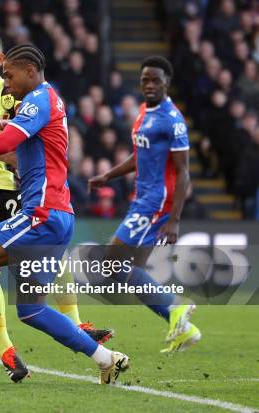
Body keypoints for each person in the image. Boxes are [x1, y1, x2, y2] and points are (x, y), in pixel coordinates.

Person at [0, 44, 129, 385]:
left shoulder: (38, 100)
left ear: (30, 71)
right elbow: (29, 139)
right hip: (59, 215)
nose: (7, 84)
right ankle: (107, 359)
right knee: (31, 310)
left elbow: (3, 145)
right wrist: (2, 121)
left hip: (40, 214)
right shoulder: (49, 99)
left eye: (10, 76)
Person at [88, 56, 200, 353]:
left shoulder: (171, 120)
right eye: (145, 80)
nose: (149, 85)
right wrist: (108, 176)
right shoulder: (143, 112)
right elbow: (140, 156)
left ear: (167, 82)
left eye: (156, 80)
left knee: (113, 260)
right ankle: (183, 327)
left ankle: (176, 307)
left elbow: (184, 171)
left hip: (156, 202)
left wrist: (174, 220)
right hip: (143, 198)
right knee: (129, 270)